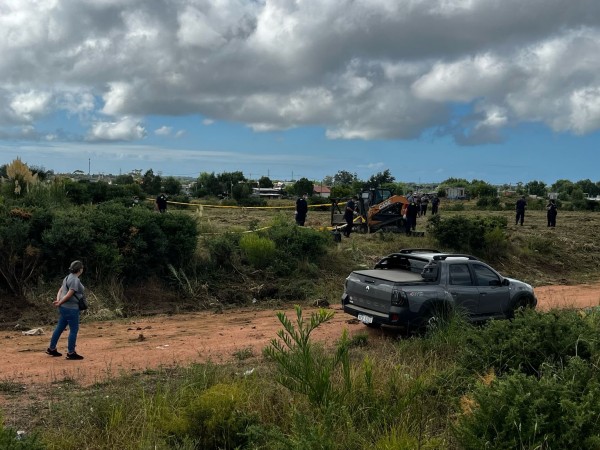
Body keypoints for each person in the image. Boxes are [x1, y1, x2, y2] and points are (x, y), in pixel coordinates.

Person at [46, 260, 86, 360]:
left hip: (64, 308)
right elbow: (69, 294)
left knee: (59, 328)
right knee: (74, 330)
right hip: (71, 308)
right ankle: (71, 352)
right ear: (80, 269)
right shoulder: (75, 280)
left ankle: (51, 348)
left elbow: (61, 289)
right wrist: (60, 302)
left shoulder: (67, 277)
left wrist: (59, 300)